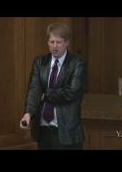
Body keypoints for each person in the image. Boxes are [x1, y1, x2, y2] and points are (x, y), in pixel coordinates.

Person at [20, 22, 86, 150]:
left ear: (67, 43)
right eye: (52, 42)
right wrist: (28, 113)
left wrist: (45, 94)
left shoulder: (77, 63)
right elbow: (34, 89)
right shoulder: (40, 62)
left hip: (67, 130)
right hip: (44, 128)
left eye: (59, 42)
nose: (55, 46)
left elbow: (71, 92)